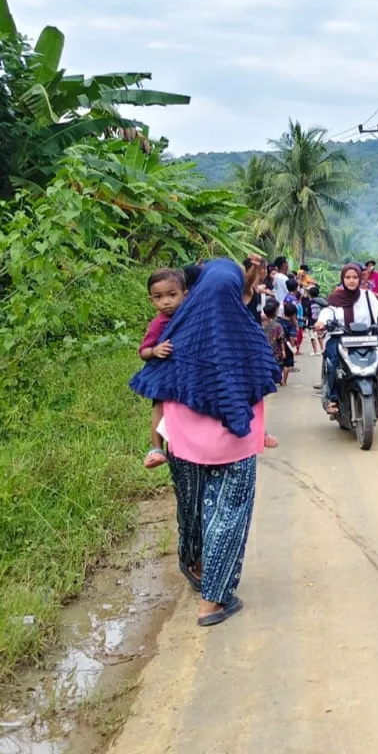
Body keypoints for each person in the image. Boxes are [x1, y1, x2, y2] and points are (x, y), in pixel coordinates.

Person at [129, 259, 280, 627]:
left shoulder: (178, 332)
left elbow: (156, 382)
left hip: (182, 444)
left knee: (192, 507)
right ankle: (212, 601)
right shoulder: (246, 335)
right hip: (234, 444)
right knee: (227, 514)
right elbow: (261, 381)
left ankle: (192, 563)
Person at [316, 263, 378, 415]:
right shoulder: (335, 298)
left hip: (366, 339)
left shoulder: (368, 296)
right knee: (333, 362)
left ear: (360, 279)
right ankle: (333, 398)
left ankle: (376, 398)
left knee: (377, 363)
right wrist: (321, 322)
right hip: (341, 338)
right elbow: (327, 312)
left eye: (355, 277)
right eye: (348, 277)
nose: (351, 281)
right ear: (343, 279)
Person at [139, 268, 186, 469]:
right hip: (163, 373)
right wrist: (155, 350)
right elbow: (143, 351)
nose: (166, 302)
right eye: (158, 297)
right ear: (151, 301)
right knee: (160, 408)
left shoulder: (188, 316)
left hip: (182, 373)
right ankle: (156, 448)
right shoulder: (158, 324)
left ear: (186, 294)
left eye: (172, 295)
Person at [261, 299, 291, 387]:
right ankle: (280, 380)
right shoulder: (278, 326)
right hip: (276, 349)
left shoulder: (261, 325)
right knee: (278, 366)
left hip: (265, 349)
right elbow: (281, 339)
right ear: (275, 312)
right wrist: (283, 350)